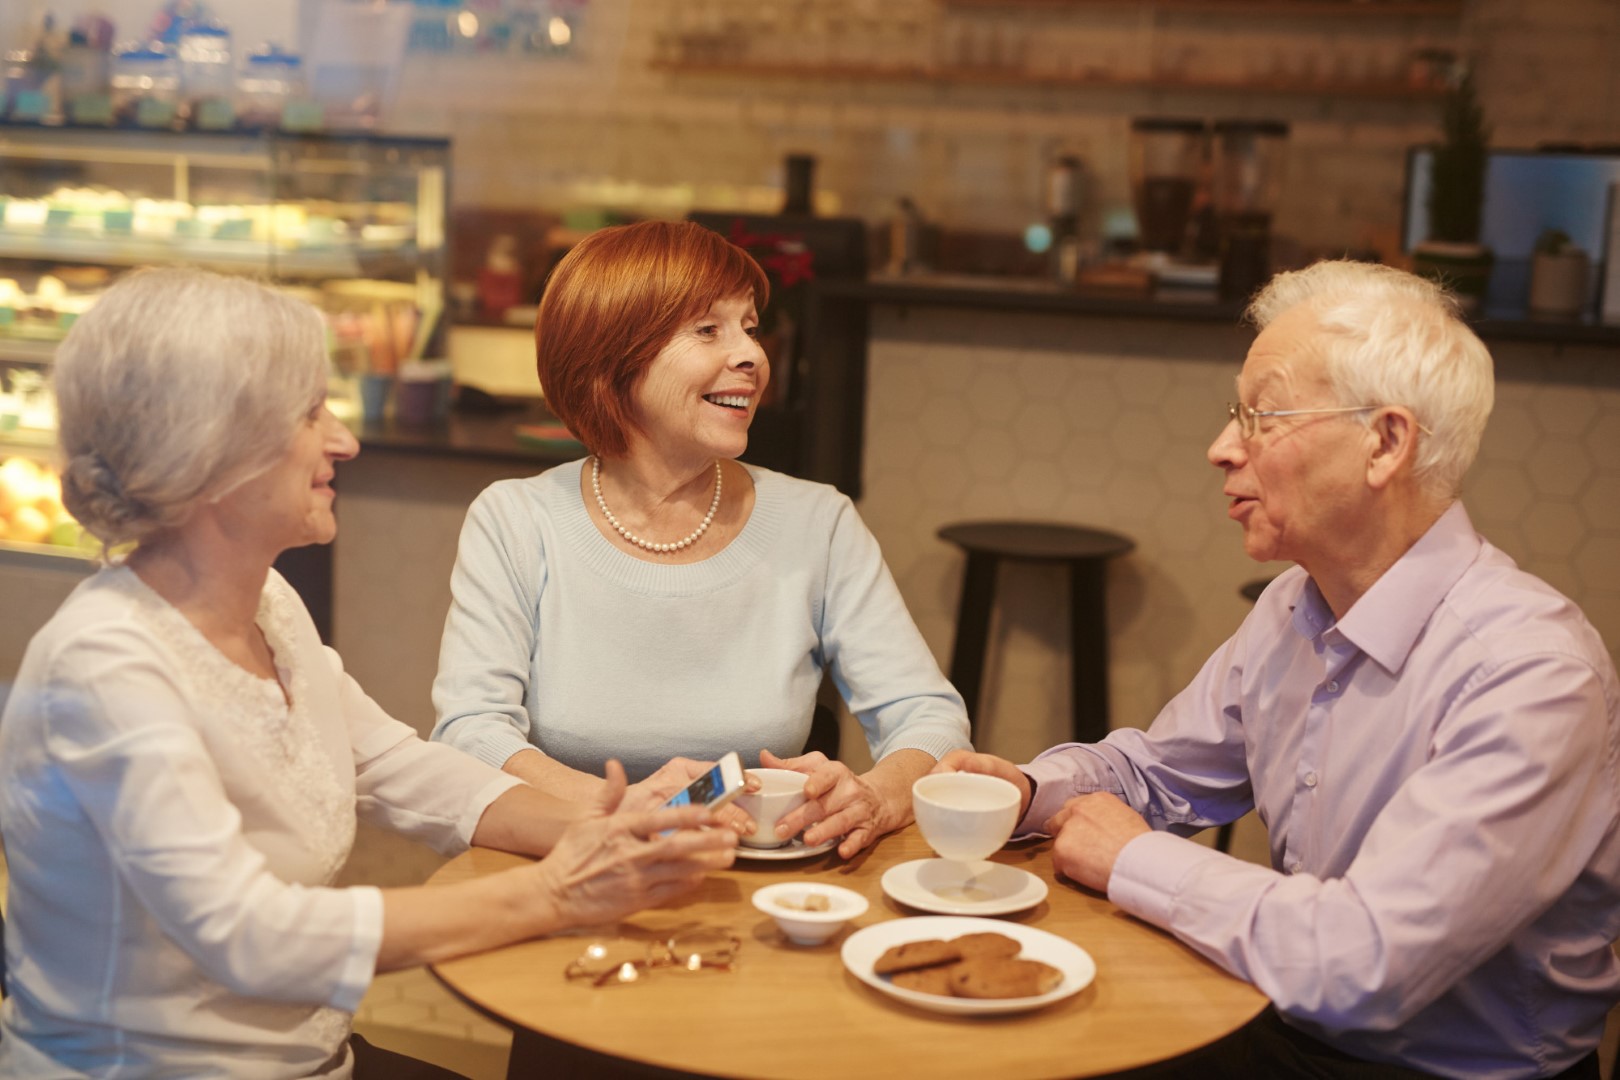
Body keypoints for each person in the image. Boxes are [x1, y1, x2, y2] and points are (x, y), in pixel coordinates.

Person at [0, 267, 738, 1078]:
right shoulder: (104, 669)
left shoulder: (268, 605)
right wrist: (556, 893)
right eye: (311, 413)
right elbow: (253, 937)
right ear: (211, 452)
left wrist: (602, 827)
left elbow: (389, 763)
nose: (343, 441)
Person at [936, 260, 1620, 1079]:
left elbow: (1365, 963)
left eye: (1262, 416)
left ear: (1385, 443)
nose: (1222, 448)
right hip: (1278, 1023)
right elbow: (1156, 774)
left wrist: (1134, 858)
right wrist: (1025, 790)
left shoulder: (1530, 674)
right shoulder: (1295, 607)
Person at [431, 220, 971, 858]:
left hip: (756, 880)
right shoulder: (517, 521)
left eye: (749, 325)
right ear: (612, 360)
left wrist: (877, 794)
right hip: (565, 866)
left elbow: (929, 716)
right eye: (708, 330)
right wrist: (622, 809)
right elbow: (470, 730)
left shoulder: (817, 523)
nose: (751, 355)